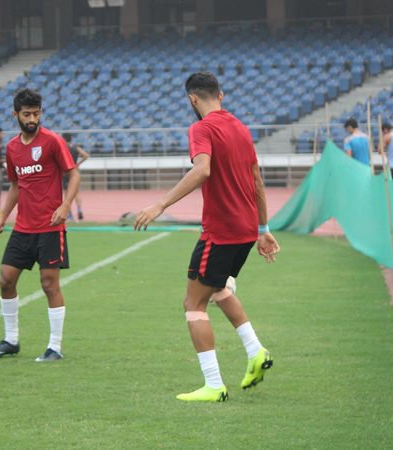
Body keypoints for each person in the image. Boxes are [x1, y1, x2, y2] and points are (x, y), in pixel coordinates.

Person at [134, 72, 280, 402]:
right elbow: (257, 180)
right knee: (217, 288)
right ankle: (256, 350)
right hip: (245, 231)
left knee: (193, 304)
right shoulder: (240, 128)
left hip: (221, 232)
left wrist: (160, 205)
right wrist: (263, 230)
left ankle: (214, 385)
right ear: (221, 95)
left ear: (193, 99)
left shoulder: (201, 128)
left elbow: (202, 170)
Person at [0, 89, 79, 362]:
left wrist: (65, 205)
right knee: (6, 280)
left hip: (50, 227)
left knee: (49, 284)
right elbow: (16, 185)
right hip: (23, 228)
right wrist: (2, 216)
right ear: (15, 114)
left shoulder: (53, 141)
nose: (32, 119)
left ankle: (55, 347)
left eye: (36, 114)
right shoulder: (12, 148)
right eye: (26, 114)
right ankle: (11, 340)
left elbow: (74, 174)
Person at [61, 133, 90, 220]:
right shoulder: (76, 147)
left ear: (64, 139)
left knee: (67, 194)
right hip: (74, 171)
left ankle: (70, 215)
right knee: (76, 193)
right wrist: (77, 164)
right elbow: (86, 155)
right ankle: (79, 210)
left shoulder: (63, 148)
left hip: (66, 172)